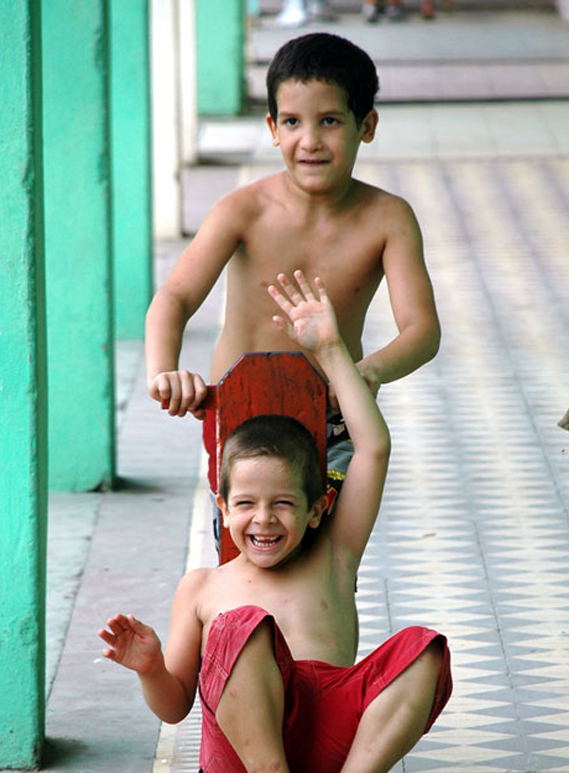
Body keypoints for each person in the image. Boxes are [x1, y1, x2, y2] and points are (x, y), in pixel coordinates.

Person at [102, 273, 452, 773]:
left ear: (317, 510)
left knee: (426, 648)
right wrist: (150, 668)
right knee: (243, 623)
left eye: (283, 504)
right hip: (245, 768)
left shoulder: (334, 553)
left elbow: (372, 448)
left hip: (334, 746)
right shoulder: (204, 587)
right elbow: (174, 707)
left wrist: (331, 349)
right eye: (245, 505)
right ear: (222, 506)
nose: (263, 520)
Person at [145, 32, 440, 505]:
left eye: (328, 121)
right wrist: (164, 372)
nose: (309, 141)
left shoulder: (388, 218)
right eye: (292, 122)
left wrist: (368, 371)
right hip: (241, 413)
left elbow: (421, 329)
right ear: (272, 128)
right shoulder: (241, 210)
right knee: (247, 555)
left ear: (366, 124)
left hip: (335, 415)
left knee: (327, 561)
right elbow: (174, 298)